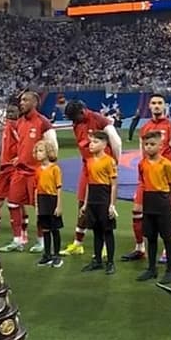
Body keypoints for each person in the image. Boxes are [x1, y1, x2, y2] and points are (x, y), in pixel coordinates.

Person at [124, 94, 171, 262]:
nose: (156, 106)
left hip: (163, 179)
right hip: (145, 178)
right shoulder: (145, 127)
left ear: (164, 106)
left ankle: (166, 250)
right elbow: (141, 152)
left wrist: (170, 171)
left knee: (167, 213)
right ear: (149, 106)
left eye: (159, 103)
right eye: (153, 103)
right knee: (137, 211)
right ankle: (139, 248)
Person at [60, 100, 122, 257]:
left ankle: (105, 246)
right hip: (87, 167)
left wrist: (115, 163)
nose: (73, 121)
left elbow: (116, 141)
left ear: (82, 111)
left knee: (104, 207)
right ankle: (78, 244)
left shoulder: (98, 119)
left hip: (103, 168)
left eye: (75, 117)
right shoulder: (76, 123)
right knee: (83, 204)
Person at [1, 91, 57, 253]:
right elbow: (22, 144)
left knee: (40, 208)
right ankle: (17, 240)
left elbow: (53, 147)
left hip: (36, 173)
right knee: (12, 204)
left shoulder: (43, 122)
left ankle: (41, 241)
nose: (21, 103)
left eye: (25, 100)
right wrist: (19, 157)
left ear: (34, 103)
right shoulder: (19, 122)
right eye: (21, 100)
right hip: (20, 172)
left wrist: (47, 167)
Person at [135, 131, 171, 284]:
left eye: (152, 144)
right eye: (146, 144)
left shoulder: (166, 163)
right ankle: (151, 268)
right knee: (150, 237)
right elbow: (142, 181)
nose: (148, 147)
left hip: (162, 201)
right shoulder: (142, 163)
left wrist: (167, 200)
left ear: (160, 146)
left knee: (167, 237)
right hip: (148, 201)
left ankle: (170, 270)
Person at [79, 131, 119, 275]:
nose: (91, 144)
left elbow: (114, 184)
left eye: (95, 142)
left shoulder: (109, 161)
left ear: (104, 144)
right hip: (93, 200)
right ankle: (97, 261)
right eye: (91, 142)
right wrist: (85, 203)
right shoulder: (89, 161)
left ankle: (110, 262)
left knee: (107, 231)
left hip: (104, 198)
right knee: (96, 231)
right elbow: (89, 183)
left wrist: (112, 205)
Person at [0, 98, 21, 243]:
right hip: (0, 168)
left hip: (13, 168)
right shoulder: (0, 126)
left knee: (16, 202)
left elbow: (23, 142)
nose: (9, 114)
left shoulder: (15, 126)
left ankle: (21, 233)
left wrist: (20, 157)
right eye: (8, 112)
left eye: (12, 112)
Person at [33, 140, 64, 268]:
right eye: (37, 151)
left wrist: (59, 205)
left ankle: (56, 255)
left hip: (52, 199)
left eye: (41, 151)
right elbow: (36, 188)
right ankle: (47, 255)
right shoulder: (38, 170)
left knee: (54, 228)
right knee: (45, 228)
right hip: (42, 200)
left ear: (48, 152)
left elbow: (59, 188)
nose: (38, 154)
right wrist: (36, 205)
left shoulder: (55, 169)